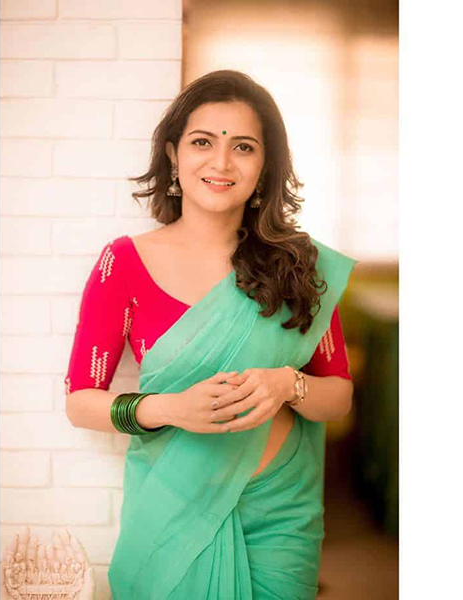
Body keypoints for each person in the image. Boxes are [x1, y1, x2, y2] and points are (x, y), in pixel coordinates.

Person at [64, 70, 357, 599]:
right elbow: (81, 401)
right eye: (203, 142)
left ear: (265, 166)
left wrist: (287, 384)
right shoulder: (124, 264)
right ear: (173, 155)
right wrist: (171, 409)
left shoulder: (300, 268)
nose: (221, 162)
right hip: (171, 505)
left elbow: (338, 397)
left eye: (243, 146)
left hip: (280, 511)